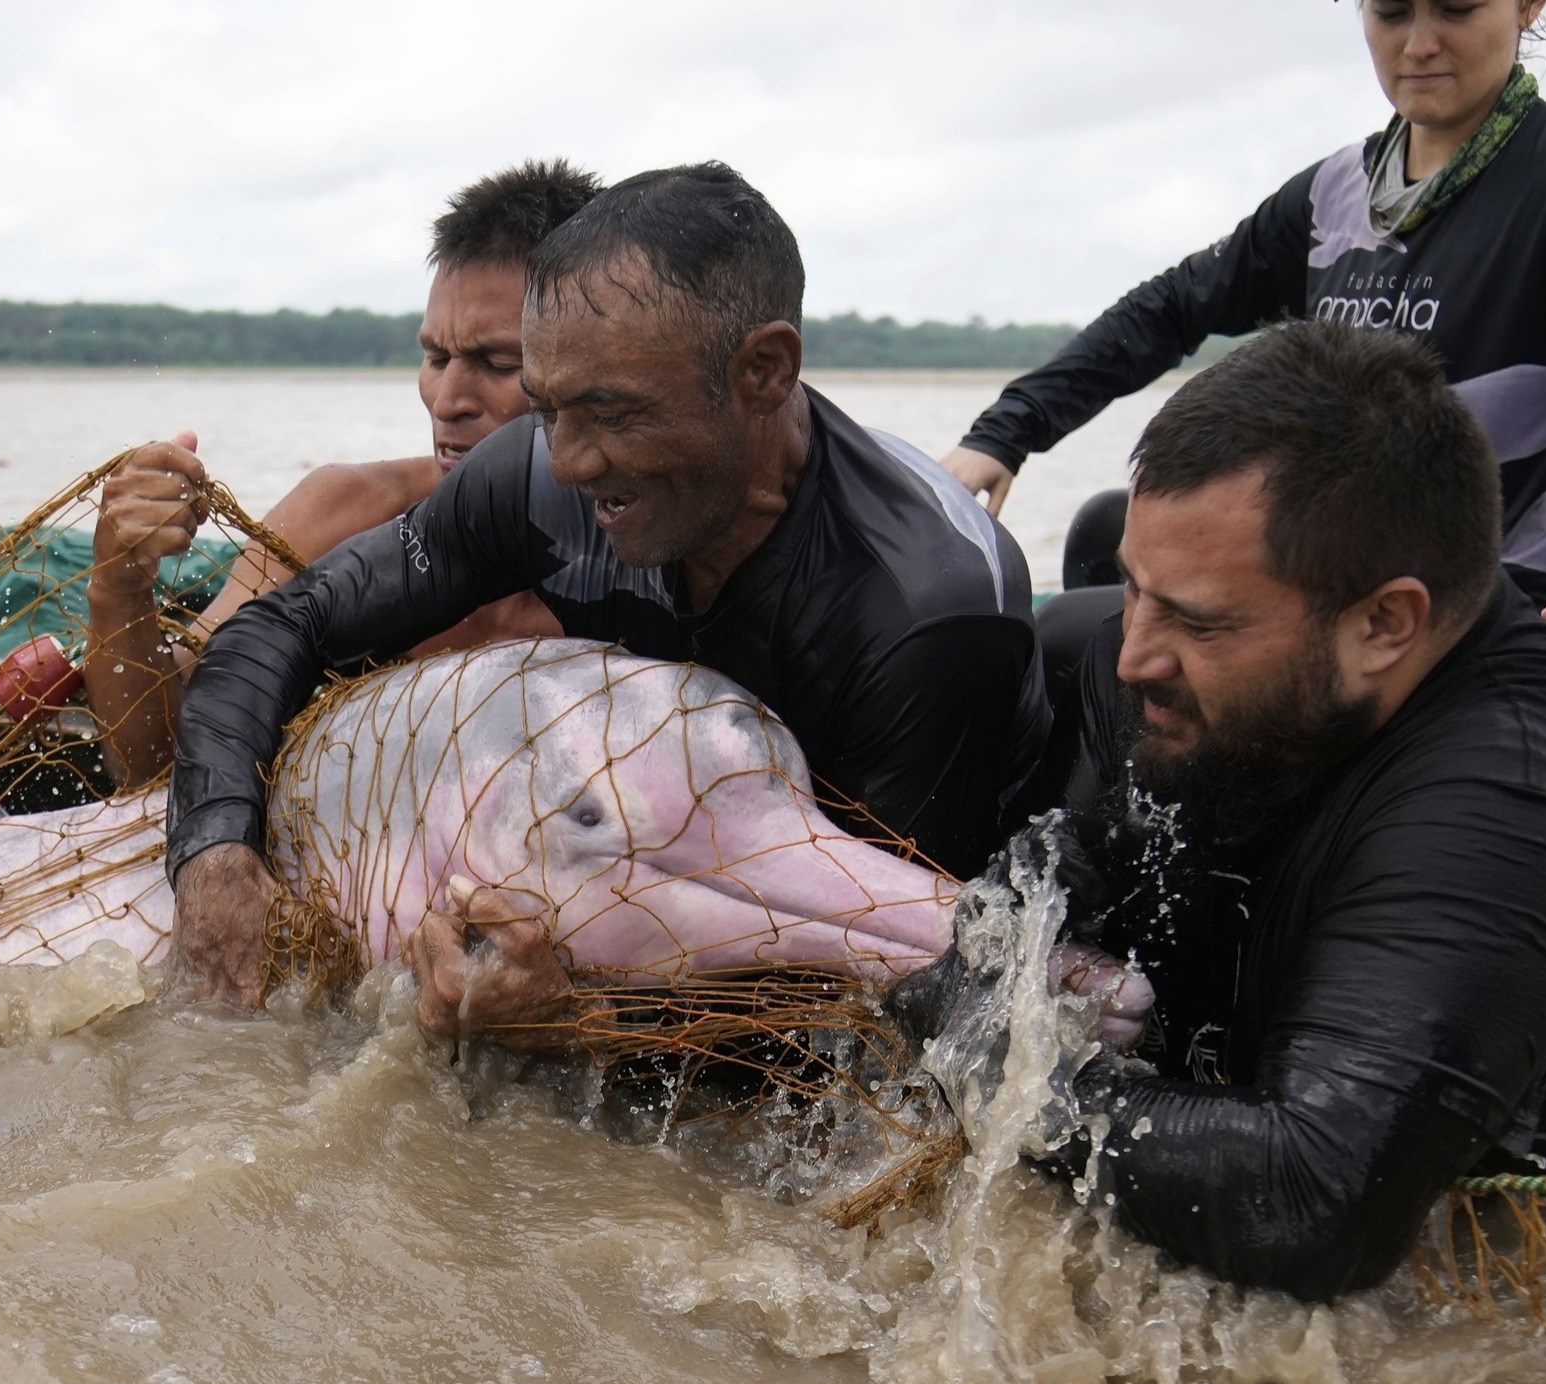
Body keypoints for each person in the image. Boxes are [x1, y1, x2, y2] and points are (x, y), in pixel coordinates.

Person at [151, 162, 1046, 1036]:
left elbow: (889, 988)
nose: (571, 461)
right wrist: (215, 850)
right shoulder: (538, 474)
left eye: (613, 414)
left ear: (765, 372)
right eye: (547, 407)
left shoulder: (926, 612)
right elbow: (283, 622)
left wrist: (586, 1012)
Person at [1046, 321, 1546, 1302]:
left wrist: (1003, 1069)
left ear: (1386, 623)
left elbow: (1308, 1202)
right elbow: (1058, 891)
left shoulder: (1522, 794)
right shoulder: (1155, 672)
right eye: (1134, 590)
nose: (1134, 656)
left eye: (1199, 620)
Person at [942, 0, 1546, 678]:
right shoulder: (1340, 188)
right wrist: (1005, 434)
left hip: (1484, 593)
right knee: (1100, 533)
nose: (1419, 41)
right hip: (1322, 566)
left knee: (1056, 643)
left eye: (1457, 7)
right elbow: (1169, 309)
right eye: (1391, 10)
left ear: (1529, 5)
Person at [82, 159, 601, 785]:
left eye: (496, 362)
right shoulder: (342, 513)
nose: (447, 400)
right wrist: (118, 588)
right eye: (436, 357)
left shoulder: (645, 558)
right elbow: (154, 763)